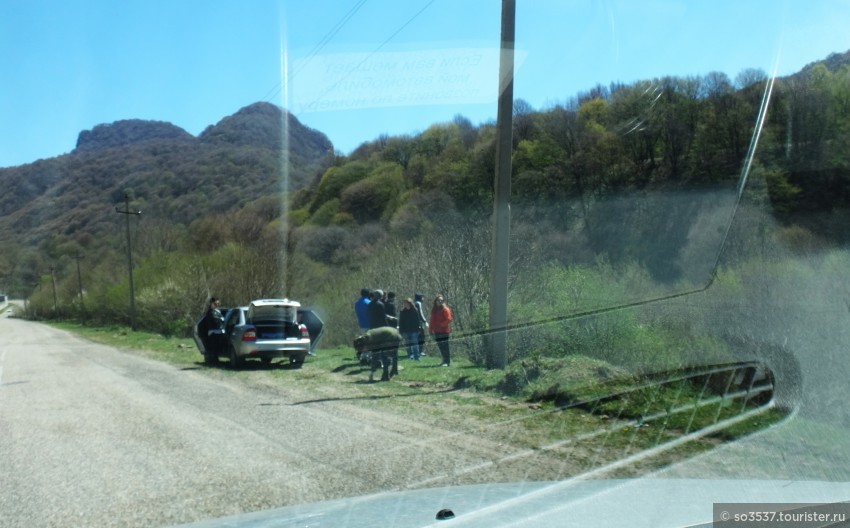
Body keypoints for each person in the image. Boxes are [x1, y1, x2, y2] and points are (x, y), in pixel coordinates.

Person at [429, 294, 453, 366]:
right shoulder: (434, 310)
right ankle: (444, 360)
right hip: (436, 331)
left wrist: (441, 325)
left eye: (441, 300)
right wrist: (430, 330)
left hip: (444, 331)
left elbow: (449, 319)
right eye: (438, 300)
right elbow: (432, 321)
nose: (440, 302)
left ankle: (447, 361)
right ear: (435, 301)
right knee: (440, 347)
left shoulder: (445, 309)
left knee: (445, 346)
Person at [201, 297, 225, 365]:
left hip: (219, 332)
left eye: (218, 303)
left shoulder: (217, 311)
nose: (217, 305)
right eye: (215, 303)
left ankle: (216, 361)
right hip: (213, 333)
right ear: (211, 303)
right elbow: (214, 321)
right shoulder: (209, 312)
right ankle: (213, 362)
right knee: (213, 349)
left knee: (217, 348)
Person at [414, 292, 428, 356]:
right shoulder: (418, 303)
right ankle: (420, 351)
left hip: (414, 323)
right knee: (421, 337)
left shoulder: (413, 303)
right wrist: (425, 321)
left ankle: (416, 351)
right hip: (419, 323)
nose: (423, 298)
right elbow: (420, 313)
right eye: (422, 297)